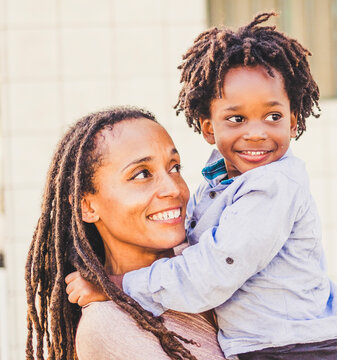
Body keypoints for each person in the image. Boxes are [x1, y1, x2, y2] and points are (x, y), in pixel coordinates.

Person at [70, 12, 337, 359]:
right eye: (237, 119)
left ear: (293, 122)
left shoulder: (271, 186)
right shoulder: (109, 327)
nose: (256, 132)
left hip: (304, 350)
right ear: (209, 129)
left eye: (273, 117)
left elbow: (213, 272)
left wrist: (119, 286)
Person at [26, 106, 226, 360]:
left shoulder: (211, 256)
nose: (173, 189)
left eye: (174, 167)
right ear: (87, 206)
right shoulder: (108, 326)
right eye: (142, 174)